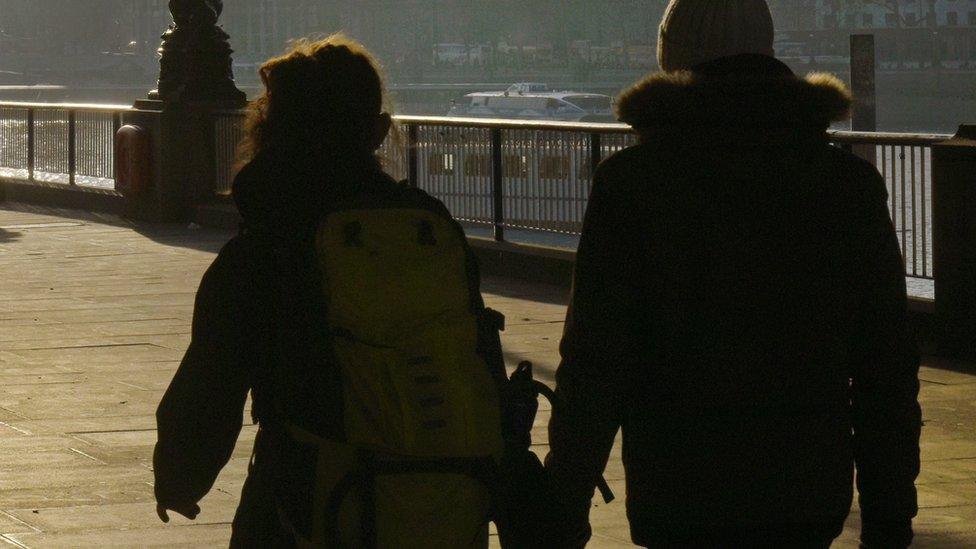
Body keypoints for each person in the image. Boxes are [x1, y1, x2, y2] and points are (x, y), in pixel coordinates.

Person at [545, 1, 922, 547]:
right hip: (806, 485)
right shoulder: (847, 184)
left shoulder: (634, 184)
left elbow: (596, 358)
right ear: (767, 49)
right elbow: (884, 362)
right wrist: (890, 508)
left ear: (673, 54)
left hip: (679, 484)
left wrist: (566, 494)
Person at [153, 35, 508, 547]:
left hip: (308, 489)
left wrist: (180, 478)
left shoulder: (271, 236)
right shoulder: (427, 226)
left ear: (269, 130)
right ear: (377, 132)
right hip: (443, 493)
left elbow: (214, 376)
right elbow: (479, 356)